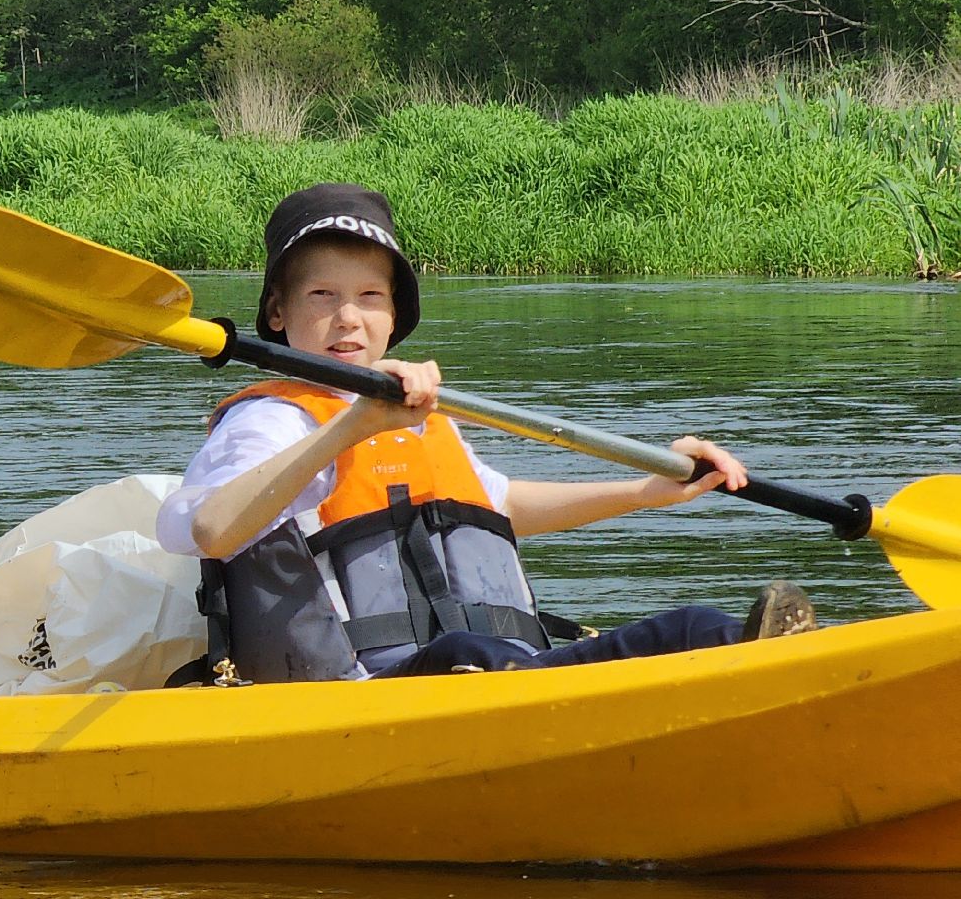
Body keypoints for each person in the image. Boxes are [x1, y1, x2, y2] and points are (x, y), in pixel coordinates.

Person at [154, 182, 816, 683]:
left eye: (370, 298)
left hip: (491, 675)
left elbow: (495, 507)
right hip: (366, 695)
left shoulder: (419, 420)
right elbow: (211, 529)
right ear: (278, 311)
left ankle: (795, 680)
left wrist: (644, 490)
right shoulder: (270, 419)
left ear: (396, 316)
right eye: (321, 297)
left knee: (696, 626)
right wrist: (350, 427)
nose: (348, 321)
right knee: (472, 653)